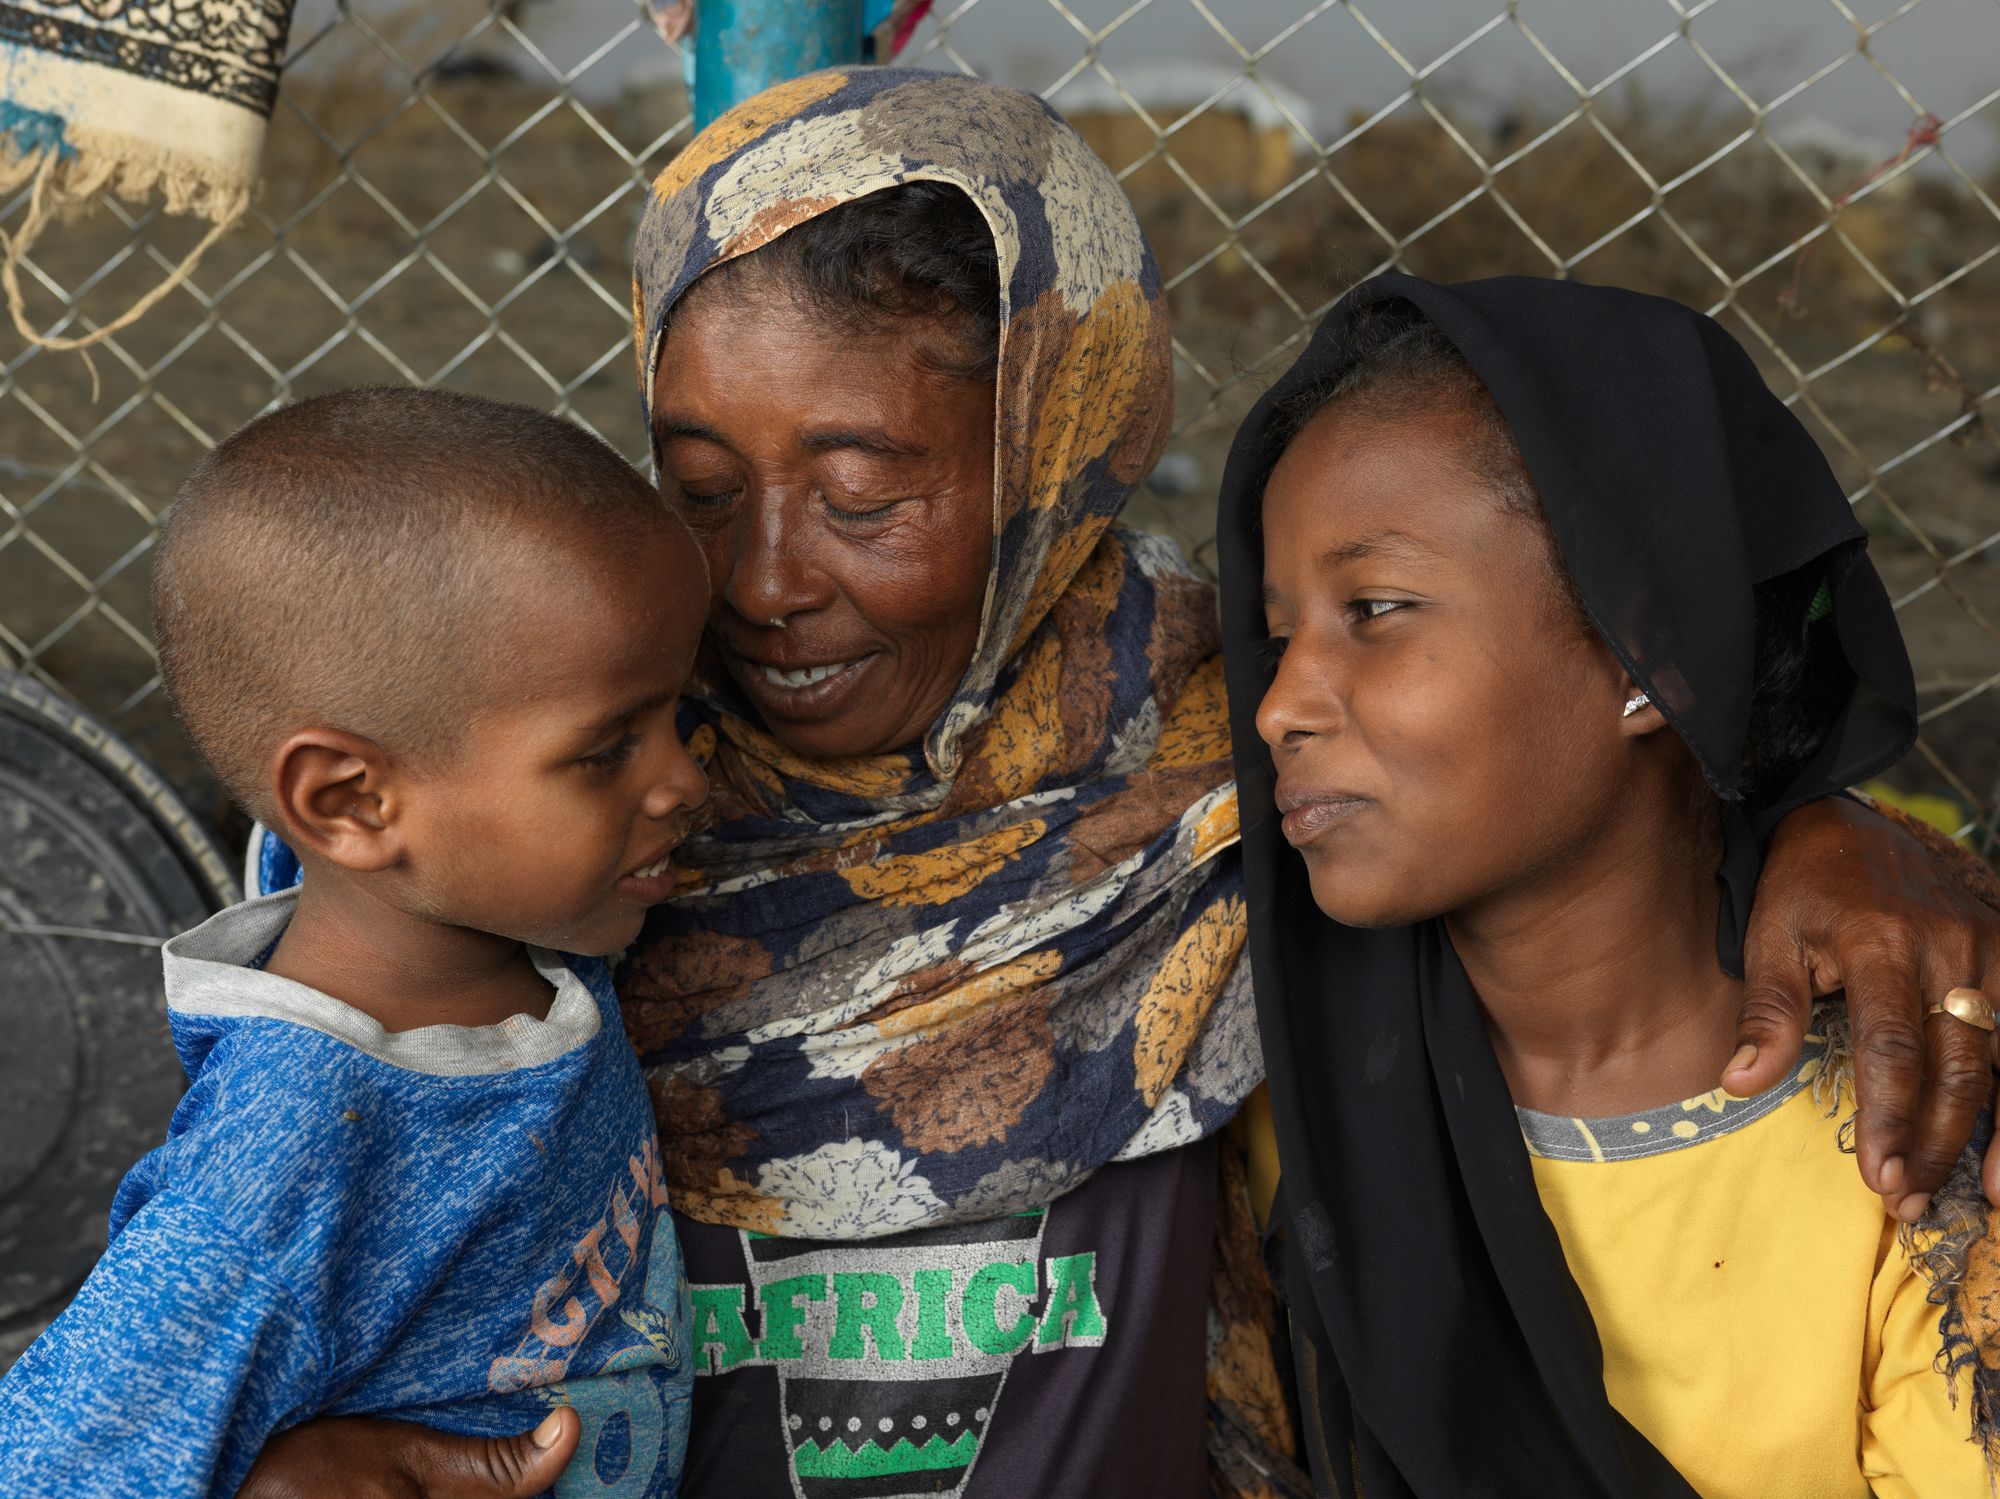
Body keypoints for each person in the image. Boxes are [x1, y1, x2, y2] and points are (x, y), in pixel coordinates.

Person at [238, 71, 2000, 1499]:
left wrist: (1836, 822)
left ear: (1051, 452)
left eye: (863, 493)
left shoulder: (1236, 751)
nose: (765, 580)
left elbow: (1591, 751)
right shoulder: (548, 795)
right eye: (700, 481)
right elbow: (279, 1209)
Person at [1217, 275, 2000, 1497]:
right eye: (1276, 636)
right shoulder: (1266, 1100)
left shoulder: (1903, 1154)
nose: (1278, 704)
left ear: (1646, 659)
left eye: (1374, 610)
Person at [0, 389, 710, 1498]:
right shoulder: (291, 1150)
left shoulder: (509, 926)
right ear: (349, 802)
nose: (682, 780)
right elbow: (50, 1463)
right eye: (607, 748)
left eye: (678, 718)